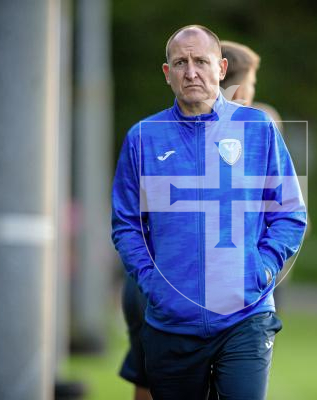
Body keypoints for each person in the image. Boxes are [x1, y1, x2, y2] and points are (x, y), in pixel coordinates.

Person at [112, 25, 306, 400]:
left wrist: (261, 267)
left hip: (245, 318)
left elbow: (289, 213)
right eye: (180, 63)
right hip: (172, 323)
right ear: (167, 74)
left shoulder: (258, 129)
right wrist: (153, 284)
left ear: (220, 68)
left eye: (200, 61)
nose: (191, 72)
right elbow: (126, 225)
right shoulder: (143, 137)